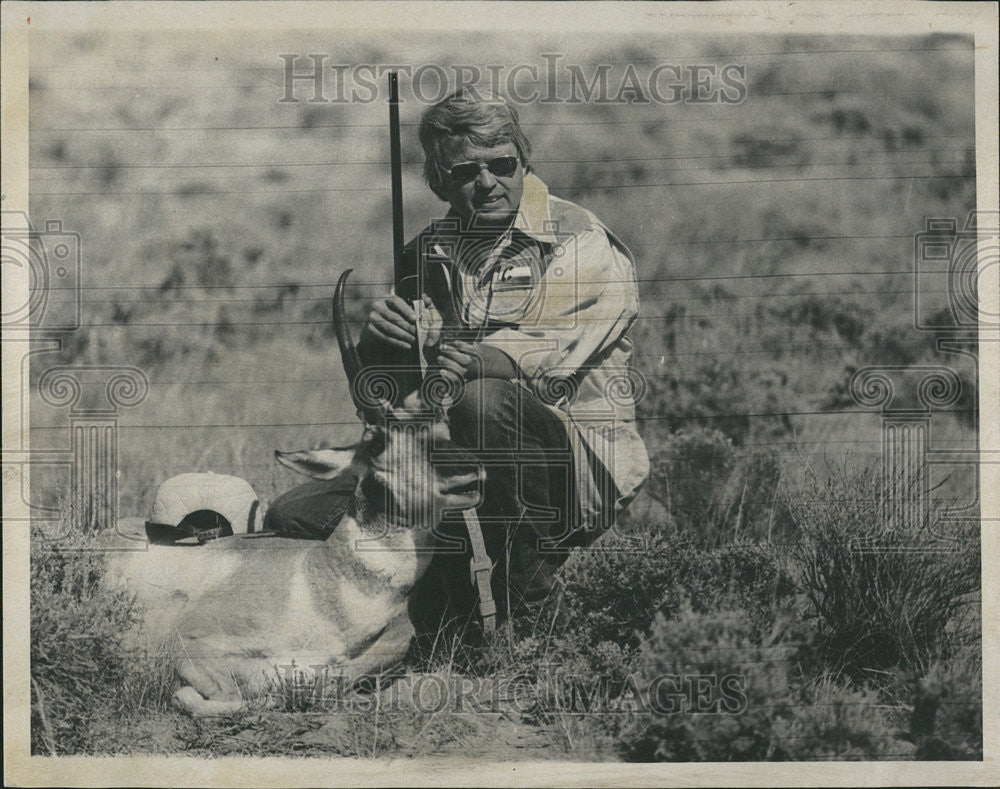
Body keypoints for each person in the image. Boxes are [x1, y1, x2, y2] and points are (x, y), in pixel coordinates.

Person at [267, 88, 648, 624]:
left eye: (503, 164)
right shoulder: (426, 251)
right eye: (467, 171)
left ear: (523, 160)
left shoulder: (578, 241)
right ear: (439, 180)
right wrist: (383, 344)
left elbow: (550, 360)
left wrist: (475, 360)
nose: (488, 182)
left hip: (571, 465)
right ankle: (447, 616)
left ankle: (534, 614)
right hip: (449, 463)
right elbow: (388, 399)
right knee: (297, 512)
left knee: (481, 399)